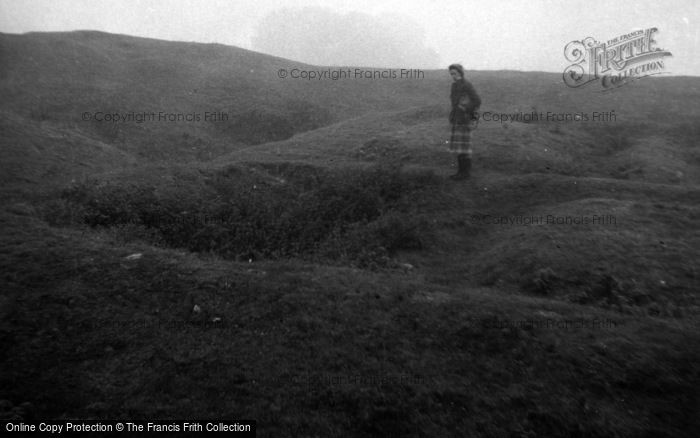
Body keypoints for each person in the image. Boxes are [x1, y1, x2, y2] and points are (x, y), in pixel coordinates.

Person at [448, 64, 481, 180]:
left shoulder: (466, 85)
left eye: (455, 73)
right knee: (459, 147)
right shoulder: (454, 86)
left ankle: (465, 173)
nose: (453, 76)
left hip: (465, 119)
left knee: (464, 147)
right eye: (451, 74)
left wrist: (466, 108)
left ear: (460, 73)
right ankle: (461, 172)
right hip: (457, 118)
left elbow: (477, 100)